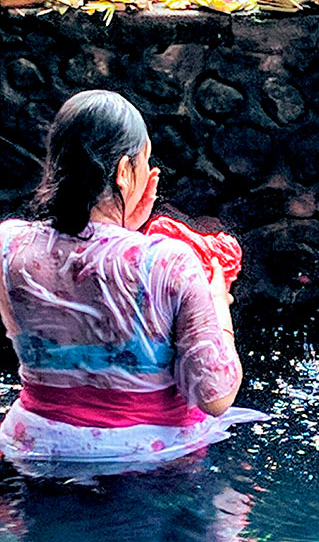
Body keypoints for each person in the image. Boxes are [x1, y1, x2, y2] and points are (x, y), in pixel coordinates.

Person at [0, 90, 259, 472]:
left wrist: (121, 228)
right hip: (148, 463)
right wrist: (219, 304)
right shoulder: (170, 263)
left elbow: (77, 257)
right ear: (124, 171)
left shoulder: (9, 246)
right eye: (144, 160)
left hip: (35, 449)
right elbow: (214, 395)